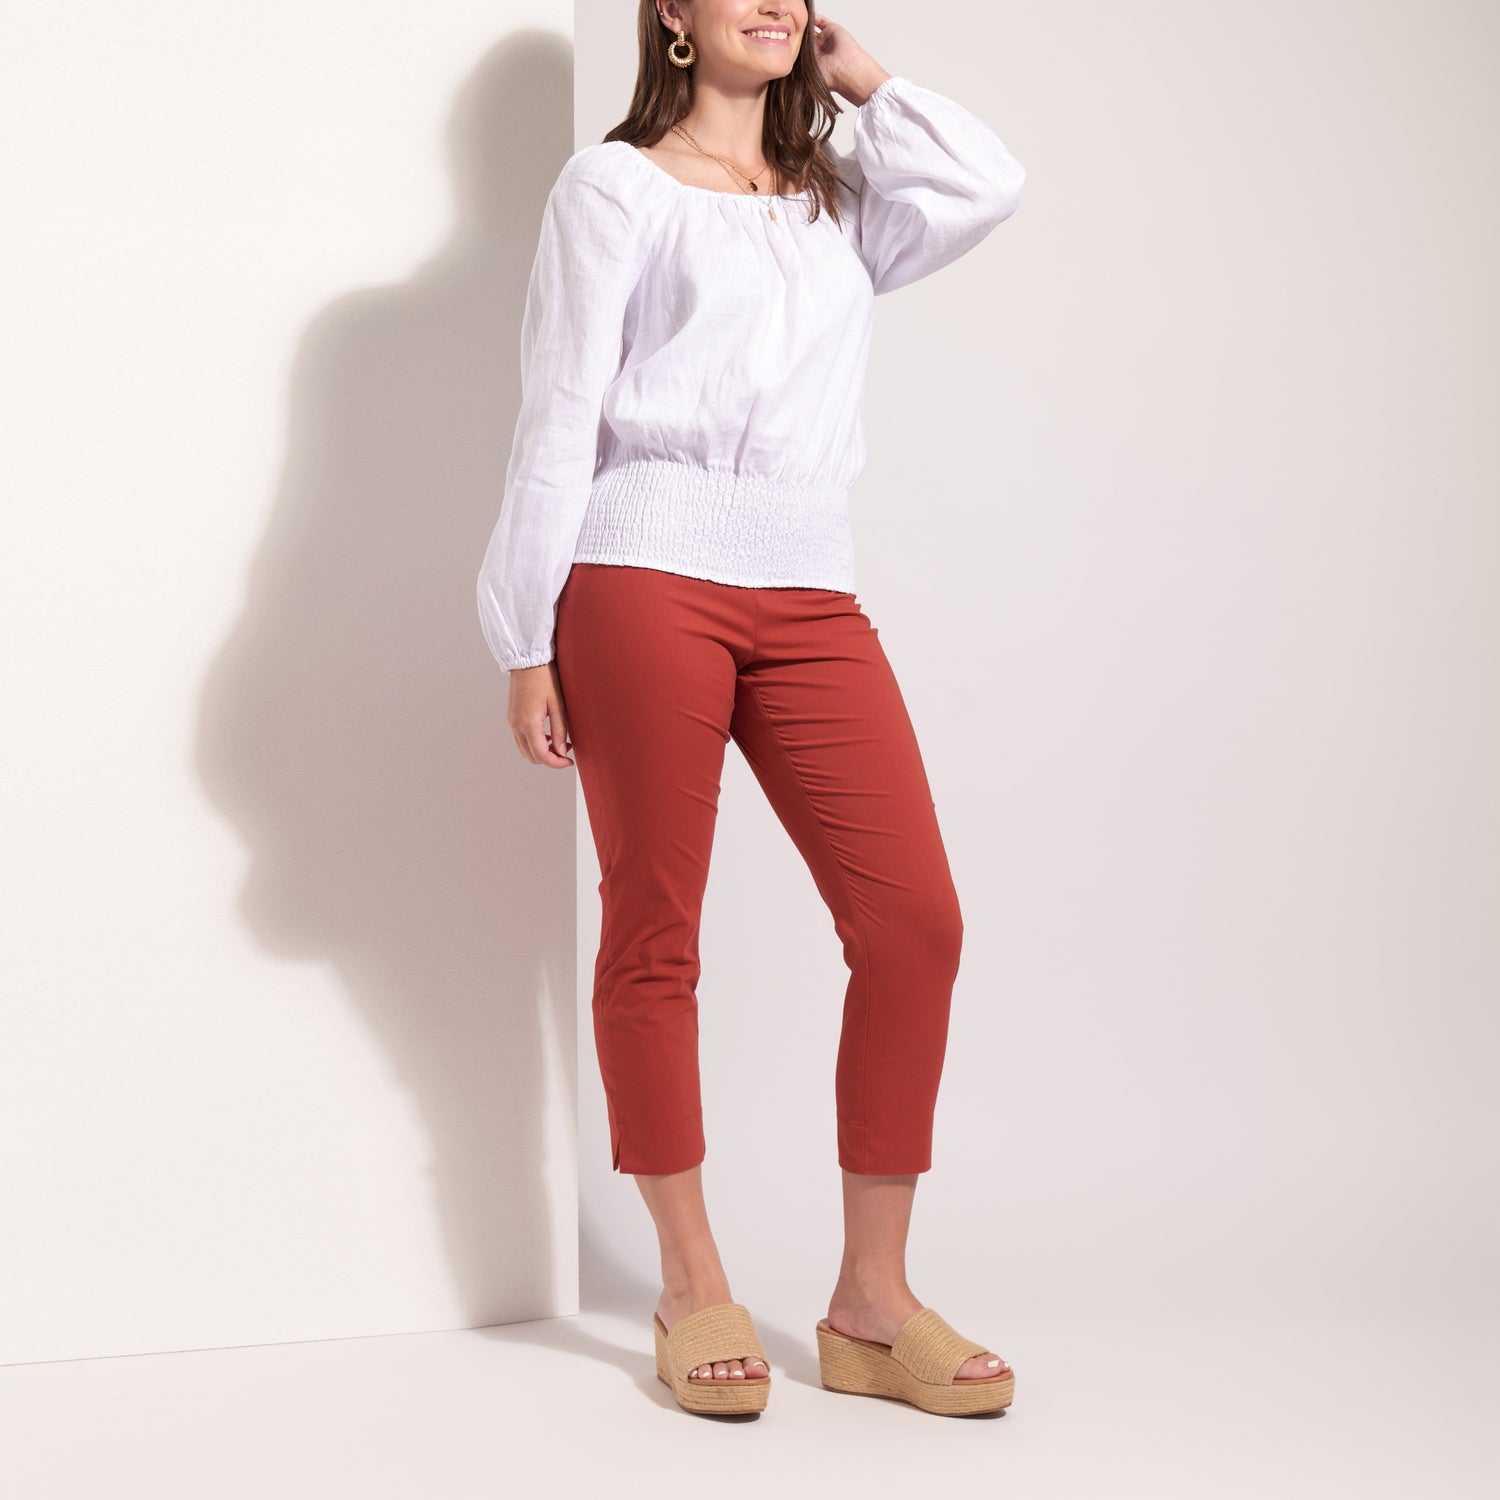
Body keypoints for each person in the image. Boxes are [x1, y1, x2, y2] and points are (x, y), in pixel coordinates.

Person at [476, 2, 1025, 1417]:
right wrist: (525, 633)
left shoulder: (836, 204)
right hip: (642, 575)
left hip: (809, 586)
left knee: (914, 924)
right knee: (656, 927)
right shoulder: (612, 188)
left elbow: (987, 185)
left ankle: (870, 1304)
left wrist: (865, 77)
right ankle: (689, 1280)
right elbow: (560, 411)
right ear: (671, 10)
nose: (775, 1)